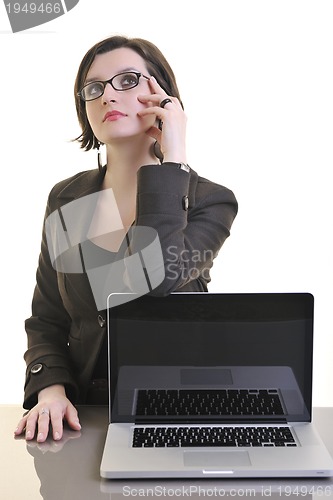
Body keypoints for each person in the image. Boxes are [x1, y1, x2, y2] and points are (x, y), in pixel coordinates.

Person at [14, 35, 238, 443]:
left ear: (163, 97)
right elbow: (47, 319)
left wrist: (174, 157)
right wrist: (51, 390)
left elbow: (158, 277)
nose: (107, 96)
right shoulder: (68, 199)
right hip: (82, 419)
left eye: (128, 80)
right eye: (94, 87)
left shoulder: (208, 200)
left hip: (179, 415)